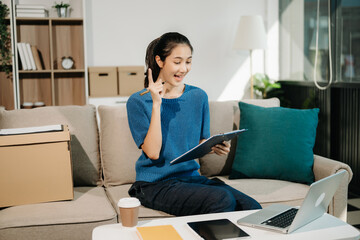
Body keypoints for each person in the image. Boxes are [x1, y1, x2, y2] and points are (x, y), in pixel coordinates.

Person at [126, 32, 261, 216]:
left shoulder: (198, 96)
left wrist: (214, 146)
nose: (183, 68)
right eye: (177, 61)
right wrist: (157, 104)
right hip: (153, 185)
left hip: (190, 179)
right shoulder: (139, 101)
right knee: (222, 199)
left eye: (188, 62)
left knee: (251, 207)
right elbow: (153, 152)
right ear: (160, 61)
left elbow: (199, 143)